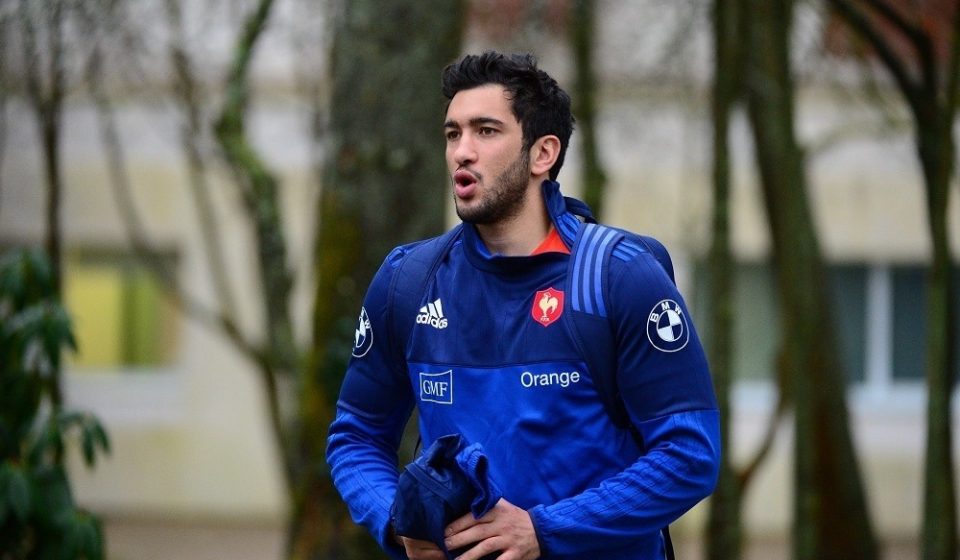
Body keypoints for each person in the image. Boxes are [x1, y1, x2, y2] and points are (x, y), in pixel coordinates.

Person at [326, 51, 720, 560]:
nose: (461, 152)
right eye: (453, 134)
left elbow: (689, 454)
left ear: (543, 154)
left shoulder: (620, 278)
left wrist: (543, 530)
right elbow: (355, 437)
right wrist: (397, 519)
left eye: (485, 131)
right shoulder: (408, 281)